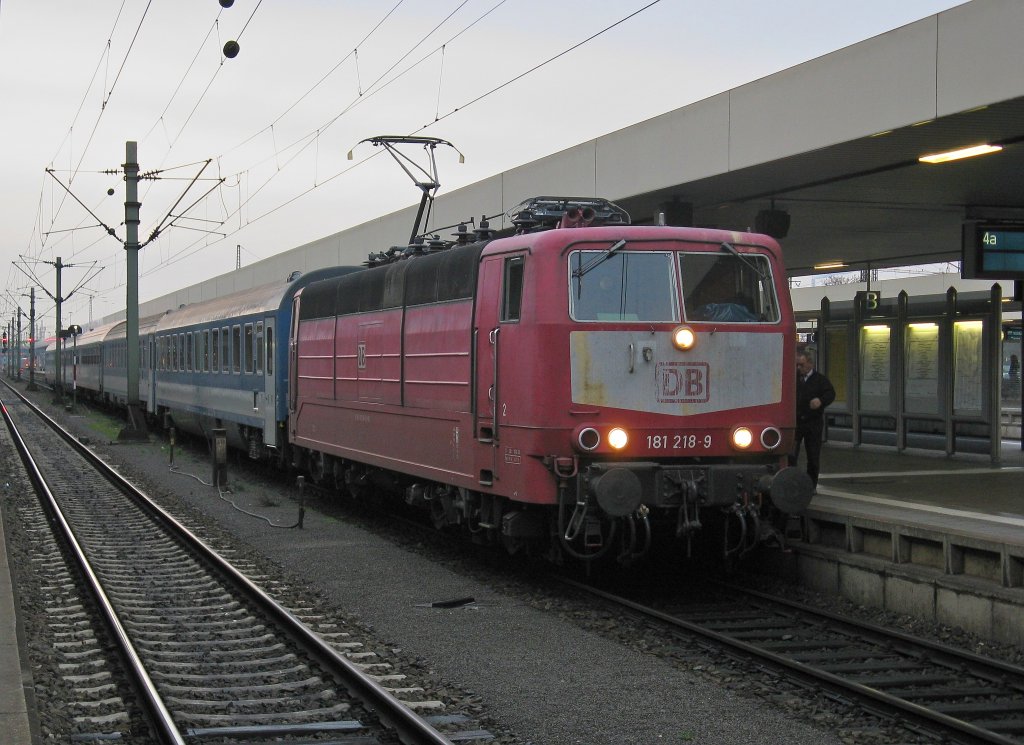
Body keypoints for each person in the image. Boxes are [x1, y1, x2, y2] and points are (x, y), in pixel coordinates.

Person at [789, 349, 835, 493]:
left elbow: (830, 393)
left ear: (810, 364)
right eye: (797, 365)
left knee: (813, 455)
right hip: (797, 422)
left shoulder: (820, 380)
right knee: (791, 454)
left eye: (801, 365)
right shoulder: (794, 378)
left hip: (813, 422)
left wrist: (820, 401)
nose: (799, 368)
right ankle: (791, 482)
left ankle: (811, 485)